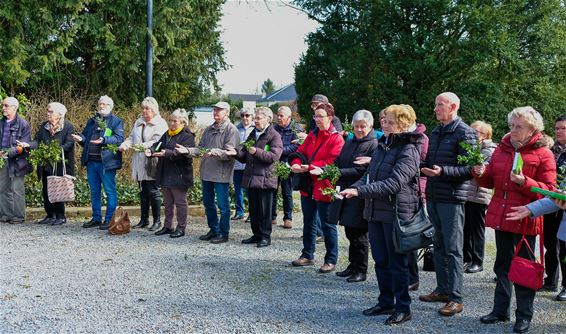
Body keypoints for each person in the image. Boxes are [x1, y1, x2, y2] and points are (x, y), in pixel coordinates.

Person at [473, 107, 555, 333]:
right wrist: (480, 174)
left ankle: (524, 316)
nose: (513, 130)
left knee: (524, 270)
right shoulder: (503, 148)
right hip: (503, 215)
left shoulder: (543, 153)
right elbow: (491, 181)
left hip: (526, 218)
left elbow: (550, 192)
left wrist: (524, 182)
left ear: (532, 129)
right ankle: (500, 310)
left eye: (519, 127)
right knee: (502, 267)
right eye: (511, 125)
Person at [341, 104, 422, 325]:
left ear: (401, 123)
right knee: (380, 260)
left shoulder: (409, 149)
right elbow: (369, 175)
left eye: (388, 120)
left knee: (397, 263)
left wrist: (359, 191)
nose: (383, 123)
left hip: (396, 212)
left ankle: (403, 307)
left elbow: (394, 183)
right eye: (384, 120)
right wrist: (351, 189)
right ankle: (386, 301)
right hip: (376, 211)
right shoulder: (383, 145)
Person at [419, 92, 477, 317]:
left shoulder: (465, 132)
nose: (435, 109)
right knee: (439, 246)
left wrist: (443, 171)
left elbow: (471, 169)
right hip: (434, 194)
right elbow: (431, 161)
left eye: (439, 105)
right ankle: (442, 289)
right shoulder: (436, 131)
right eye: (435, 105)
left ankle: (456, 297)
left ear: (452, 107)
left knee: (453, 249)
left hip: (452, 198)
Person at [290, 102, 344, 273]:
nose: (317, 119)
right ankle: (307, 255)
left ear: (330, 118)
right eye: (315, 116)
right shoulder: (312, 136)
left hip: (324, 186)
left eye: (320, 116)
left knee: (328, 224)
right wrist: (296, 163)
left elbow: (332, 162)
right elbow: (300, 152)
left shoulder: (336, 138)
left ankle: (331, 259)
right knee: (309, 222)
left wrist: (309, 167)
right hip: (308, 185)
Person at [331, 110, 378, 283]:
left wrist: (339, 172)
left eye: (362, 126)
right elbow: (339, 159)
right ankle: (352, 265)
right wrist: (332, 169)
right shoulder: (350, 141)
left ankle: (361, 269)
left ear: (370, 126)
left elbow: (363, 171)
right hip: (344, 189)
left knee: (360, 234)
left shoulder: (374, 145)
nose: (359, 129)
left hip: (359, 193)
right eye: (356, 126)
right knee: (349, 231)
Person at [72, 95, 124, 230]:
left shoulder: (116, 121)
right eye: (100, 104)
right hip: (92, 162)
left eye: (105, 104)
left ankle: (109, 220)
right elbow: (85, 136)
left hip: (107, 162)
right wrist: (80, 138)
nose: (101, 106)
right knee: (94, 191)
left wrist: (104, 140)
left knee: (109, 191)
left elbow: (118, 139)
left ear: (111, 107)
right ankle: (96, 218)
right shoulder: (92, 121)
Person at [19, 102, 75, 226]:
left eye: (50, 112)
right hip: (45, 163)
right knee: (46, 189)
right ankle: (50, 214)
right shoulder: (44, 126)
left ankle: (60, 216)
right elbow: (38, 141)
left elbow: (69, 144)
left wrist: (54, 152)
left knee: (58, 187)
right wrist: (28, 145)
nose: (48, 114)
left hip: (60, 163)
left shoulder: (68, 127)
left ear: (59, 114)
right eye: (48, 111)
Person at [235, 107, 282, 247]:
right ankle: (256, 235)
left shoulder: (274, 135)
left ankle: (265, 237)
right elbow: (244, 156)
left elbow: (274, 156)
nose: (255, 121)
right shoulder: (252, 134)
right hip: (251, 177)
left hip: (266, 179)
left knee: (265, 210)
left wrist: (257, 152)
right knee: (254, 209)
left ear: (268, 119)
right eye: (255, 118)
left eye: (258, 118)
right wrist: (235, 153)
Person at [119, 97, 168, 231]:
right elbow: (131, 137)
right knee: (143, 191)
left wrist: (139, 146)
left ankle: (157, 221)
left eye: (147, 108)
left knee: (153, 191)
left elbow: (158, 142)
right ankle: (144, 219)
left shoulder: (161, 123)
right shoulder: (138, 122)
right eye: (143, 108)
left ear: (154, 110)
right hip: (139, 160)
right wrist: (125, 145)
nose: (144, 111)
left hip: (152, 160)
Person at [146, 109, 195, 238]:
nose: (171, 123)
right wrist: (151, 151)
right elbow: (158, 145)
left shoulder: (187, 136)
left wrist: (166, 153)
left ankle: (181, 228)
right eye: (171, 120)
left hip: (180, 174)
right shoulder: (167, 134)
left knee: (180, 202)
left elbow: (182, 154)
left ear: (183, 122)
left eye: (175, 121)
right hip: (165, 172)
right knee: (167, 202)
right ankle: (168, 226)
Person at [196, 101, 239, 244]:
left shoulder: (231, 130)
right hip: (206, 172)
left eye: (219, 110)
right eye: (214, 110)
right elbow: (201, 148)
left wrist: (214, 152)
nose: (215, 112)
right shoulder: (208, 129)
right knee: (208, 203)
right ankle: (213, 229)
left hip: (221, 173)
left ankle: (223, 233)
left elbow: (230, 153)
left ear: (226, 112)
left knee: (223, 206)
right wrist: (187, 151)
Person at [460, 121, 497, 274]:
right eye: (472, 131)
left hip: (479, 194)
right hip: (466, 193)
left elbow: (484, 170)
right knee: (465, 227)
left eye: (478, 132)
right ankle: (466, 258)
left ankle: (477, 260)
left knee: (477, 229)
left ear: (486, 135)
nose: (474, 134)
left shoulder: (490, 150)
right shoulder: (469, 147)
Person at [0, 97, 32, 223]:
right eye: (3, 105)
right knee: (2, 188)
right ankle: (5, 214)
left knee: (17, 189)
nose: (3, 108)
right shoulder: (1, 123)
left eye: (6, 105)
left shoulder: (23, 125)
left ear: (14, 107)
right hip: (2, 160)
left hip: (18, 161)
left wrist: (8, 152)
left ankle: (19, 216)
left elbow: (23, 145)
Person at [272, 106, 303, 229]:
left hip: (287, 164)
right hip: (274, 163)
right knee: (272, 191)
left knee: (287, 192)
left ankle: (288, 218)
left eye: (281, 116)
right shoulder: (273, 129)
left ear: (289, 117)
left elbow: (296, 147)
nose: (278, 118)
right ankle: (272, 217)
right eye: (278, 115)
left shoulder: (296, 129)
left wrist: (279, 151)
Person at [232, 107, 255, 221]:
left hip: (249, 165)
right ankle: (239, 212)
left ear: (252, 116)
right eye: (243, 116)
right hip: (237, 164)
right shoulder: (236, 129)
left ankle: (252, 213)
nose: (245, 118)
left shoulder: (255, 129)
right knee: (238, 190)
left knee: (250, 191)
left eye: (247, 115)